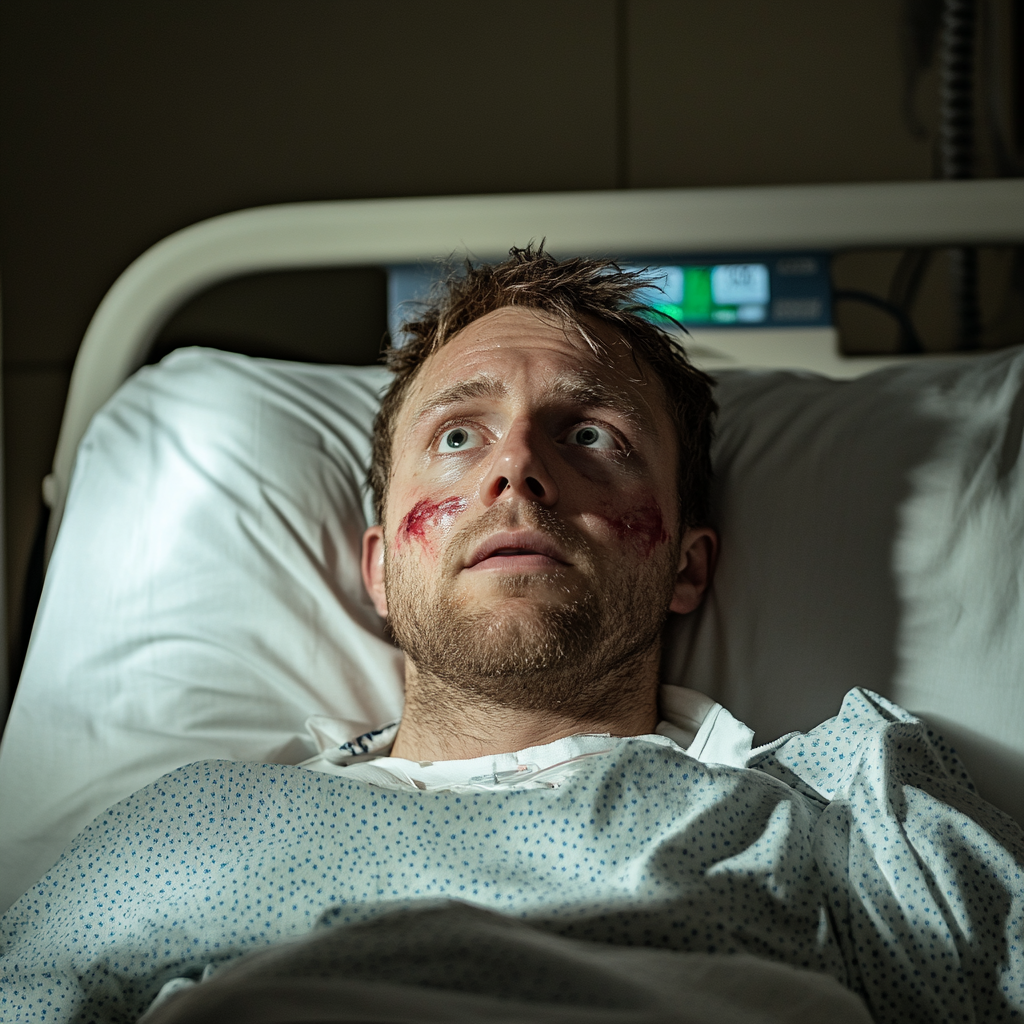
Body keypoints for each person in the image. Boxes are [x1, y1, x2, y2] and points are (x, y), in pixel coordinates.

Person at [1, 248, 1021, 1024]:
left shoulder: (850, 810)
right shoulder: (185, 833)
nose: (515, 471)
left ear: (688, 565)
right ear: (379, 572)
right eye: (457, 435)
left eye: (592, 437)